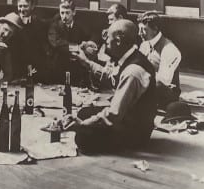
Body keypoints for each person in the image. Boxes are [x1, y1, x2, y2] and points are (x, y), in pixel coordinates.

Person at [61, 19, 159, 154]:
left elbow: (113, 114)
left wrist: (83, 125)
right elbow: (113, 78)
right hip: (129, 116)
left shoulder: (133, 72)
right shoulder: (131, 56)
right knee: (83, 113)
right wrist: (87, 63)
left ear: (118, 41)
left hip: (135, 132)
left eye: (108, 39)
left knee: (82, 139)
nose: (105, 42)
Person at [136, 12, 182, 108]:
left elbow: (163, 80)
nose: (139, 33)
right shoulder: (144, 44)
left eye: (143, 30)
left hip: (166, 92)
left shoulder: (169, 48)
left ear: (155, 29)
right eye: (139, 29)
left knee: (157, 84)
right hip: (147, 84)